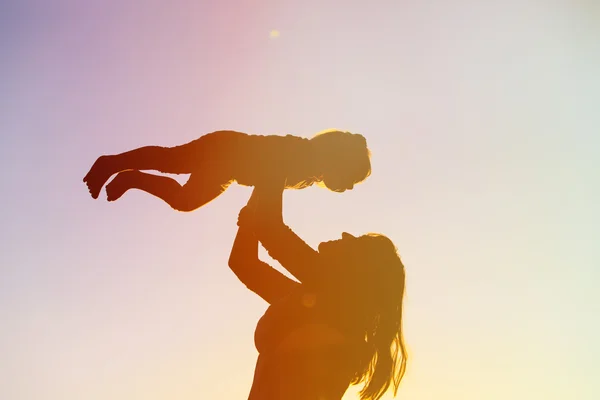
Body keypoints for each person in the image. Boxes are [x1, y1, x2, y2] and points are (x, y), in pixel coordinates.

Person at [228, 181, 407, 400]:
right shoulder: (312, 302)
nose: (345, 235)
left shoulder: (334, 296)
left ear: (357, 271)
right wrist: (253, 209)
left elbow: (270, 229)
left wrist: (273, 160)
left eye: (357, 244)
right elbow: (244, 264)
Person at [82, 129, 371, 211]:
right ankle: (114, 165)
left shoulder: (308, 176)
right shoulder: (303, 153)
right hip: (227, 151)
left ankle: (127, 175)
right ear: (339, 162)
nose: (346, 187)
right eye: (350, 179)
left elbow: (268, 186)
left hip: (229, 171)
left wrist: (258, 208)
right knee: (171, 162)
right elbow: (271, 178)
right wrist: (262, 212)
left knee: (182, 195)